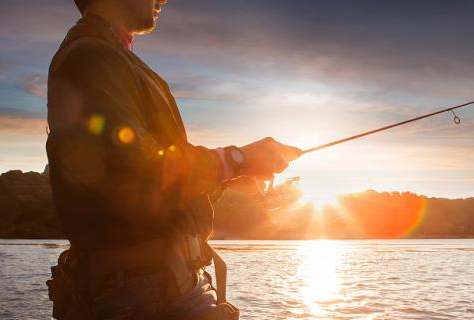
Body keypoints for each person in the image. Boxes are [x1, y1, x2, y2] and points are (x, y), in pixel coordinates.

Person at [44, 0, 301, 319]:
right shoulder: (90, 57)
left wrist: (226, 175)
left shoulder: (107, 56)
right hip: (146, 296)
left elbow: (148, 191)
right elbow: (132, 169)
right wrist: (236, 159)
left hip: (158, 288)